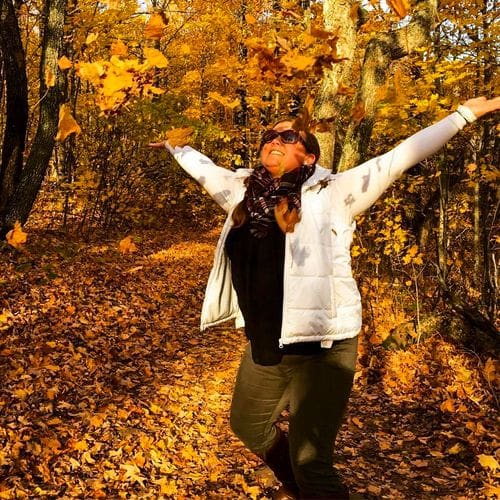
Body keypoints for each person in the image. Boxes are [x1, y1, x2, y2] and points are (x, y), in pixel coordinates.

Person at [149, 96, 500, 499]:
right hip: (266, 344)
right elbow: (205, 171)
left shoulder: (335, 192)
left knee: (312, 460)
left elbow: (398, 157)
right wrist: (178, 147)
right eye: (270, 135)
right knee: (247, 425)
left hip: (323, 348)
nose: (275, 140)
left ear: (310, 156)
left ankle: (311, 488)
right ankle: (300, 490)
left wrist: (464, 114)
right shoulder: (241, 193)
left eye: (288, 135)